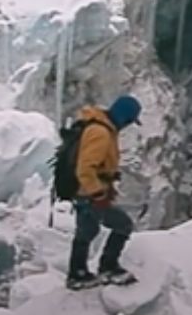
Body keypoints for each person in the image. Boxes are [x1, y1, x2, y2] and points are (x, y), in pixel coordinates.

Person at [66, 94, 142, 290]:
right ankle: (104, 268)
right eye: (130, 121)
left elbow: (96, 165)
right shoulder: (101, 133)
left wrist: (108, 181)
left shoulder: (101, 128)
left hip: (85, 191)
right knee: (122, 225)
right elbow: (85, 169)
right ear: (124, 117)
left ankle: (79, 273)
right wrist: (98, 193)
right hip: (89, 193)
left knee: (87, 231)